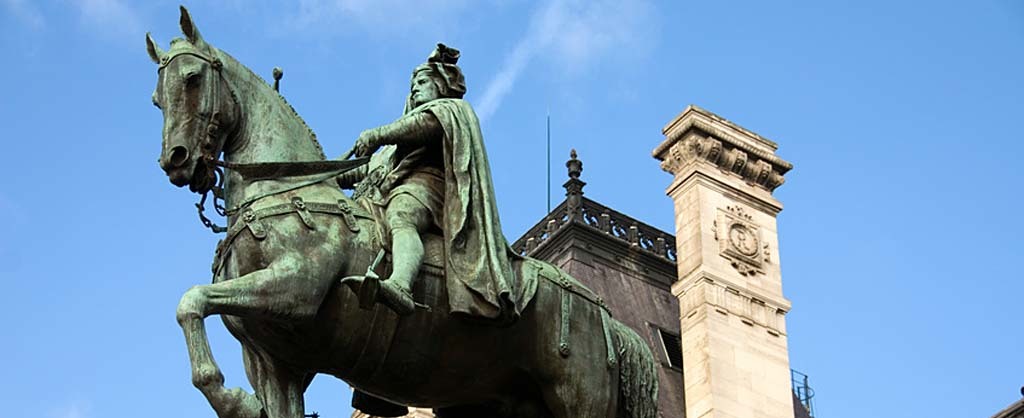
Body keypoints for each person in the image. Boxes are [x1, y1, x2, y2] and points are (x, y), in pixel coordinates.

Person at [337, 44, 516, 321]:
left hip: (430, 189)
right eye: (412, 86)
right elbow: (365, 171)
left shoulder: (448, 110)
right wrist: (325, 172)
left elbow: (423, 125)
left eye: (421, 82)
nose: (415, 90)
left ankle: (401, 286)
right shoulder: (394, 148)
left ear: (439, 86)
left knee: (402, 214)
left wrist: (378, 134)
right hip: (392, 189)